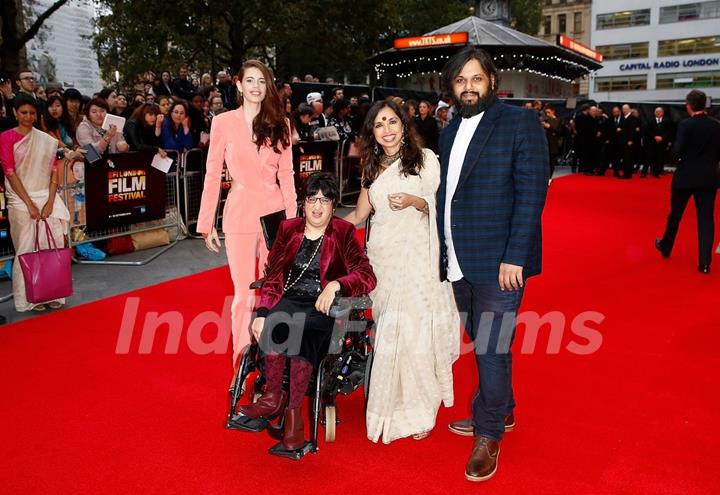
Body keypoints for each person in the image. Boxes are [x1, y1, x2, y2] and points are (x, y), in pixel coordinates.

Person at [437, 47, 548, 482]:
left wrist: (515, 256)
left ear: (491, 81)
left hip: (501, 261)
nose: (468, 87)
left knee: (491, 347)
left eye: (475, 78)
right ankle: (503, 410)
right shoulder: (448, 129)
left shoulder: (519, 122)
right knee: (480, 340)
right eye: (460, 80)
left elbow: (532, 193)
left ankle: (488, 434)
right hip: (458, 258)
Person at [343, 99, 459, 443]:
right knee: (391, 333)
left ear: (403, 125)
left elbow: (438, 208)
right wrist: (319, 228)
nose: (387, 130)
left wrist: (414, 201)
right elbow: (359, 216)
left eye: (392, 122)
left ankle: (420, 408)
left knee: (414, 332)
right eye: (379, 125)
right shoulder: (371, 166)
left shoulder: (426, 160)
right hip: (383, 261)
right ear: (372, 133)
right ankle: (392, 403)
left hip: (419, 259)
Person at [240, 172, 376, 451]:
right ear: (304, 203)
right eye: (312, 199)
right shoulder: (288, 229)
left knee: (304, 334)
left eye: (324, 201)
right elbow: (275, 276)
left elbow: (367, 275)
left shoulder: (343, 232)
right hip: (289, 299)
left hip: (322, 305)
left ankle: (293, 418)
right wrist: (263, 312)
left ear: (333, 205)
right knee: (275, 324)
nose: (317, 206)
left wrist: (336, 285)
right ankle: (273, 397)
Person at [197, 59, 297, 370]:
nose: (256, 86)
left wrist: (292, 222)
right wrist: (206, 222)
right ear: (239, 85)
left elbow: (288, 175)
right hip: (239, 213)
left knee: (275, 288)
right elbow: (212, 174)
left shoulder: (280, 123)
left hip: (274, 214)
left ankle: (276, 359)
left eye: (262, 81)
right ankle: (240, 361)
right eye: (250, 80)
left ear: (268, 87)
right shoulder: (223, 122)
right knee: (243, 293)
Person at [0, 95, 77, 311]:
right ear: (15, 113)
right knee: (26, 248)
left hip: (46, 196)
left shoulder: (46, 140)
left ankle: (53, 292)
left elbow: (54, 171)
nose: (28, 117)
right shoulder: (6, 138)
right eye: (23, 112)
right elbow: (10, 172)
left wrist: (51, 201)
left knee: (50, 246)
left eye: (32, 113)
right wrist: (30, 204)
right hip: (20, 200)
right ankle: (30, 298)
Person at [656, 90, 720, 274]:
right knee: (706, 219)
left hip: (685, 177)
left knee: (675, 215)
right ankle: (705, 263)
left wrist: (672, 149)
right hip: (708, 178)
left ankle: (666, 246)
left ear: (689, 105)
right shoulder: (717, 126)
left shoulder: (685, 125)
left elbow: (678, 151)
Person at [642, 107, 673, 178]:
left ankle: (656, 173)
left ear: (663, 113)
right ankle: (644, 172)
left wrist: (662, 137)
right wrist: (654, 137)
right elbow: (647, 130)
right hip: (651, 142)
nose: (658, 113)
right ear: (654, 113)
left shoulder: (667, 121)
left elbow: (669, 131)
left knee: (659, 158)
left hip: (662, 143)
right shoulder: (649, 120)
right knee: (648, 157)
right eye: (657, 112)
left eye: (660, 112)